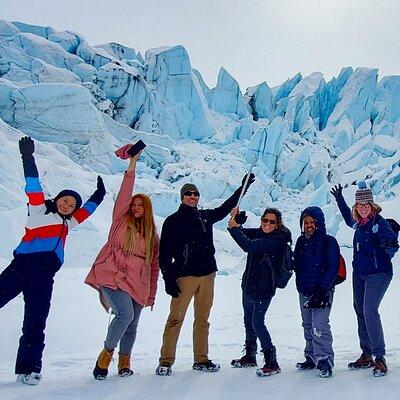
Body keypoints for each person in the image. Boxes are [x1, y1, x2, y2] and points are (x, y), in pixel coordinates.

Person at [0, 136, 105, 386]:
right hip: (20, 268)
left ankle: (30, 368)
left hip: (44, 277)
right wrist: (28, 158)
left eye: (71, 204)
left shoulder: (69, 222)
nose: (68, 205)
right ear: (56, 200)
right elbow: (33, 186)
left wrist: (99, 194)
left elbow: (87, 209)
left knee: (35, 323)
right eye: (65, 200)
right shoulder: (39, 210)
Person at [155, 174, 255, 376]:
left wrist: (242, 188)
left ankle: (201, 359)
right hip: (184, 277)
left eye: (196, 194)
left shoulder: (204, 216)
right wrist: (168, 279)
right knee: (175, 318)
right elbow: (164, 253)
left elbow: (226, 208)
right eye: (189, 194)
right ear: (182, 197)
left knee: (202, 319)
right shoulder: (172, 221)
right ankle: (165, 361)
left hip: (208, 275)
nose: (193, 197)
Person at [85, 150, 159, 380]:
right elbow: (125, 192)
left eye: (141, 204)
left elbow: (154, 268)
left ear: (146, 209)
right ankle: (106, 354)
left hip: (139, 281)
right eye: (134, 204)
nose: (136, 207)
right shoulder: (120, 220)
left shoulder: (152, 236)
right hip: (112, 274)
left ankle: (124, 361)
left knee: (132, 324)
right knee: (124, 315)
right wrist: (132, 164)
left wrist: (151, 295)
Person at [331, 181, 398, 377]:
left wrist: (387, 245)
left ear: (372, 205)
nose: (363, 208)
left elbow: (393, 247)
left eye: (366, 204)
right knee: (360, 310)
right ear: (356, 207)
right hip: (360, 274)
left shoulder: (380, 223)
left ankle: (380, 358)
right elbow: (346, 219)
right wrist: (339, 199)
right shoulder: (359, 224)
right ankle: (366, 354)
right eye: (360, 205)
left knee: (369, 310)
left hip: (379, 273)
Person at [228, 207, 292, 377]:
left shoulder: (276, 240)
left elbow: (247, 245)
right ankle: (250, 355)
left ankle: (272, 361)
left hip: (264, 288)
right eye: (265, 220)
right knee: (248, 321)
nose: (268, 224)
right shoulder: (259, 233)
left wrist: (234, 227)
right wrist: (237, 222)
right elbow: (243, 233)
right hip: (249, 285)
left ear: (278, 224)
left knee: (257, 322)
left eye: (272, 222)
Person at [294, 206, 340, 378]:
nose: (309, 225)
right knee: (307, 325)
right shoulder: (301, 241)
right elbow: (297, 264)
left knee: (319, 325)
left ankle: (325, 360)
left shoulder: (329, 241)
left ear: (319, 223)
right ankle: (311, 356)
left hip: (323, 291)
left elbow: (333, 267)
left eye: (312, 222)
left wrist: (322, 290)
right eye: (306, 222)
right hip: (304, 290)